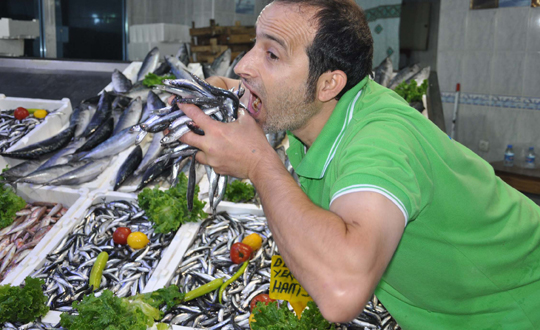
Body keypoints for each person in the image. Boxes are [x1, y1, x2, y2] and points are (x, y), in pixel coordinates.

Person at [176, 0, 540, 328]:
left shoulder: (379, 142)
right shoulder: (321, 113)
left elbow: (341, 294)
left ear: (327, 85)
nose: (242, 65)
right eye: (255, 45)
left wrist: (257, 163)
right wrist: (220, 92)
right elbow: (252, 87)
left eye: (272, 54)